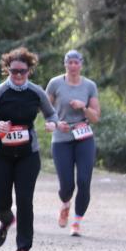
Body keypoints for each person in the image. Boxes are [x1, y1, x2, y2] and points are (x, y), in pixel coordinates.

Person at [0, 47, 58, 251]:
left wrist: (52, 123)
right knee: (1, 204)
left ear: (30, 70)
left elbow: (51, 113)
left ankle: (22, 250)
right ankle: (5, 221)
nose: (18, 76)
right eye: (14, 71)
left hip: (28, 155)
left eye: (22, 71)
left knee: (25, 201)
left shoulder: (36, 92)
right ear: (7, 70)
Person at [46, 50, 101, 237]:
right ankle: (65, 203)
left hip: (84, 136)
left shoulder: (89, 86)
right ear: (65, 64)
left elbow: (95, 117)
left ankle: (77, 221)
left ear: (81, 64)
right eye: (70, 62)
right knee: (67, 185)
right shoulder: (55, 84)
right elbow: (46, 109)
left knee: (84, 181)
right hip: (62, 138)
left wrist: (83, 107)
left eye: (76, 62)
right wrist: (53, 123)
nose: (73, 66)